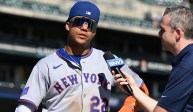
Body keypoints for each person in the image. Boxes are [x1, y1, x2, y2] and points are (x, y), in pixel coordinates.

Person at [15, 1, 148, 112]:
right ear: (68, 25)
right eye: (79, 21)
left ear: (94, 32)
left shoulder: (110, 60)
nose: (84, 28)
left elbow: (142, 89)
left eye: (91, 24)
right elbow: (26, 106)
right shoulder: (45, 65)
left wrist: (127, 108)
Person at [114, 6, 193, 112]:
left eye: (163, 30)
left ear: (178, 33)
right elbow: (164, 108)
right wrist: (133, 89)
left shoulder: (188, 65)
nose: (159, 34)